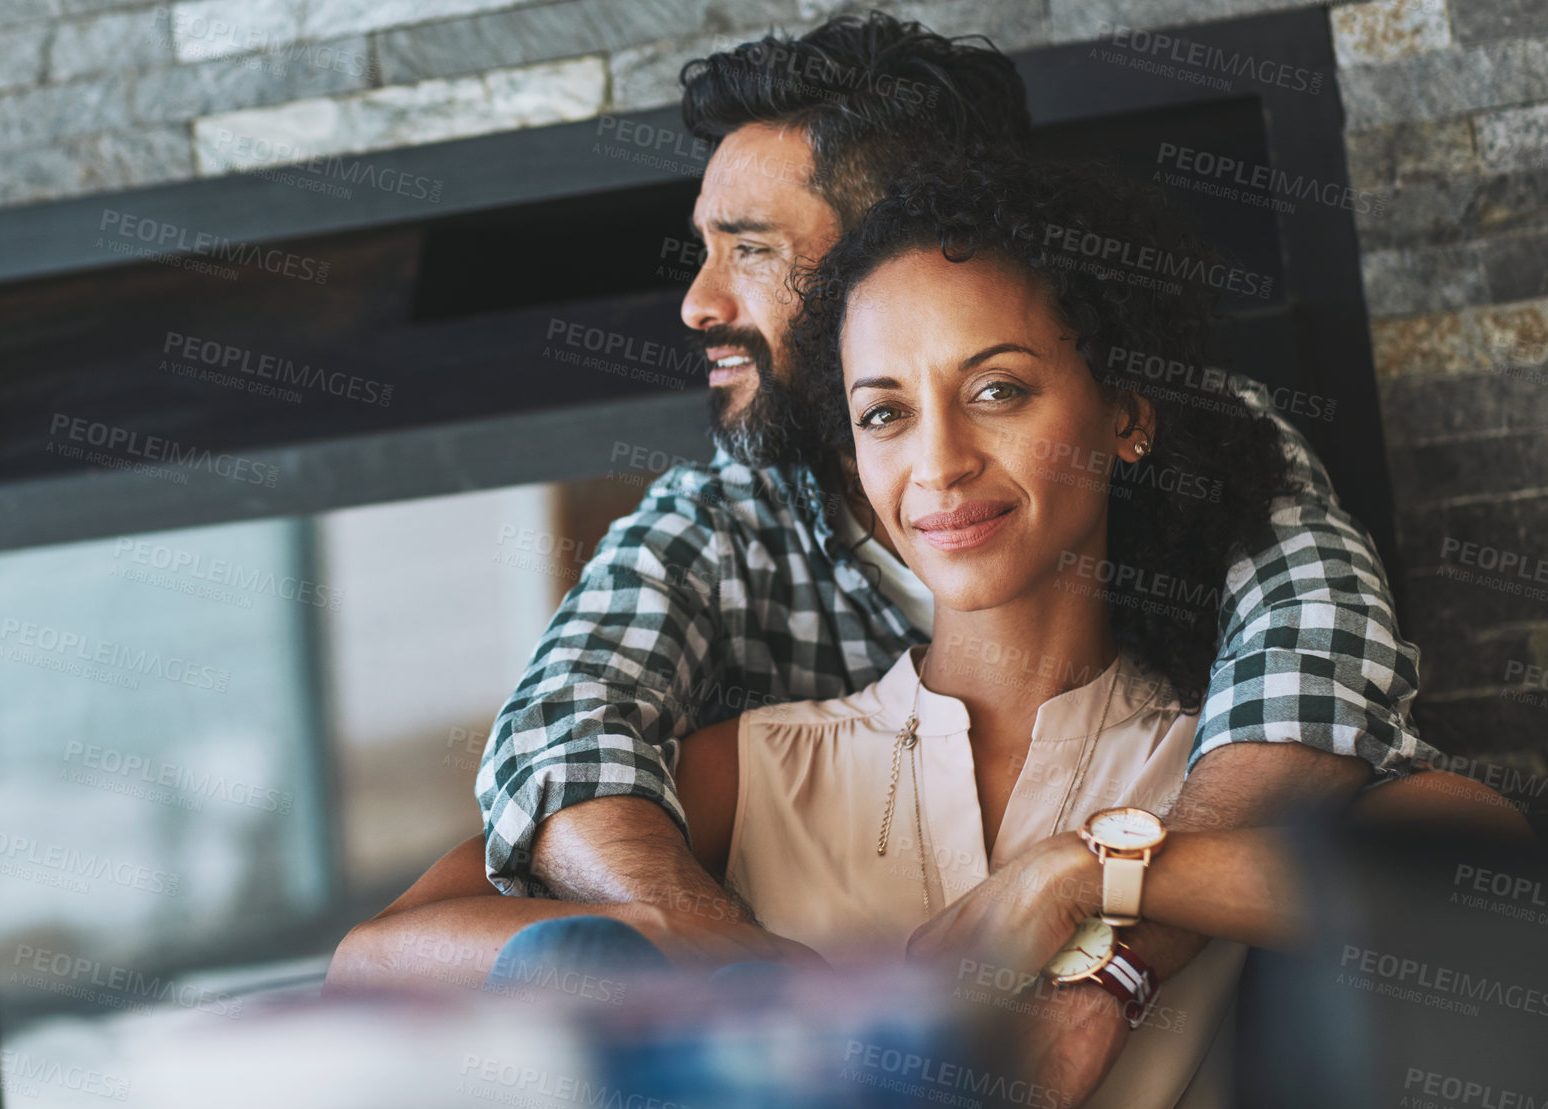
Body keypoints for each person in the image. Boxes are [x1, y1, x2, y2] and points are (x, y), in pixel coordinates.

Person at [330, 156, 1528, 1107]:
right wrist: (656, 938)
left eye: (998, 389)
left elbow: (1489, 892)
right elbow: (374, 961)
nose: (941, 461)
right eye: (886, 413)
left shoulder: (1223, 765)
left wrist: (1088, 881)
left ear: (1126, 415)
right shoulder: (762, 767)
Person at [477, 9, 1432, 1087]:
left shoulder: (1209, 453)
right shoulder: (723, 531)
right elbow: (555, 736)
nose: (698, 302)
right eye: (884, 414)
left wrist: (1106, 941)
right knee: (563, 959)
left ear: (906, 233)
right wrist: (727, 959)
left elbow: (1323, 672)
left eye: (748, 251)